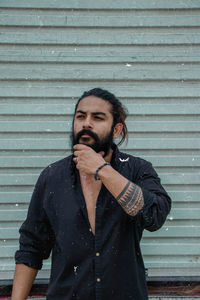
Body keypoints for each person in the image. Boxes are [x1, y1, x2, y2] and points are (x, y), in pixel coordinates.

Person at [12, 88, 171, 300]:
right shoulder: (52, 177)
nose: (86, 123)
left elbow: (155, 216)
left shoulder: (138, 170)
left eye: (97, 117)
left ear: (116, 130)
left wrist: (102, 170)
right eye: (80, 116)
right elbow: (31, 247)